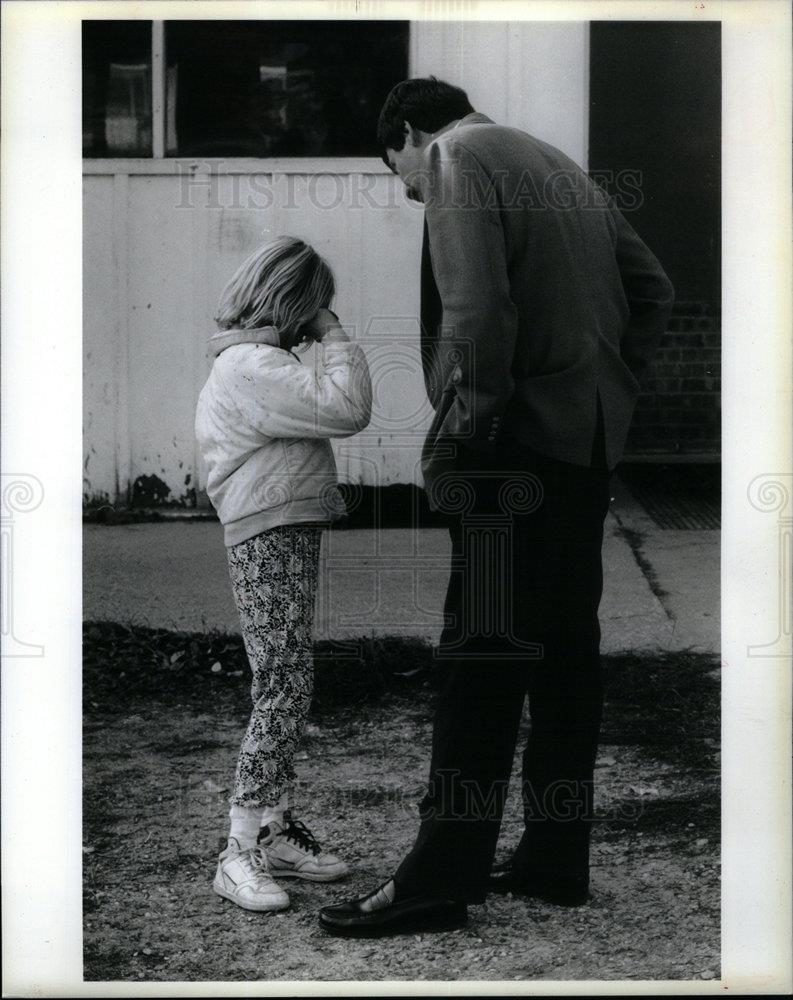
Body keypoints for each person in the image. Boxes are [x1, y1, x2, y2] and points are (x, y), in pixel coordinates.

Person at [319, 77, 674, 936]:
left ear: (406, 132)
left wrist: (467, 431)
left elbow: (476, 310)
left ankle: (439, 878)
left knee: (476, 659)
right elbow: (653, 288)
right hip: (583, 447)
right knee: (563, 656)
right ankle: (555, 858)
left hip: (507, 448)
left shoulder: (455, 154)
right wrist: (603, 393)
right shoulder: (559, 166)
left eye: (399, 176)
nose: (413, 192)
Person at [195, 235, 372, 912]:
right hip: (266, 531)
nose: (319, 318)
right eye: (316, 305)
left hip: (281, 527)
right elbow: (347, 406)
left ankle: (270, 830)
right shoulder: (251, 366)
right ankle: (238, 848)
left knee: (287, 678)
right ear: (297, 302)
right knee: (283, 685)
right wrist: (334, 332)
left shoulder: (254, 362)